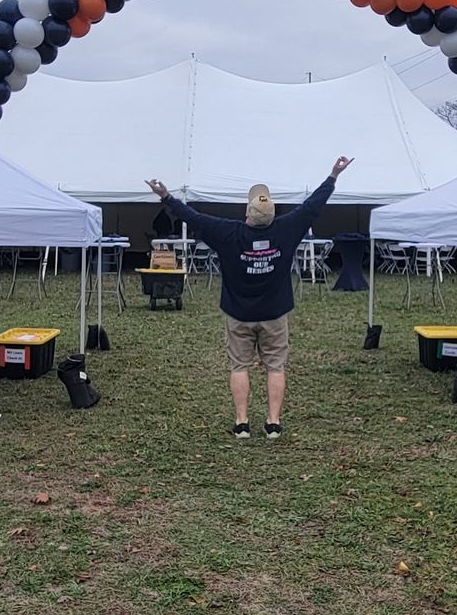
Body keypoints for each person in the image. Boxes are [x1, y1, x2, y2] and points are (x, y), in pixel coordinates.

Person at [146, 157, 353, 439]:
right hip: (275, 314)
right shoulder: (287, 228)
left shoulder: (228, 233)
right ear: (271, 214)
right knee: (275, 367)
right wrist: (333, 175)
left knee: (239, 366)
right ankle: (273, 423)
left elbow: (192, 217)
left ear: (247, 212)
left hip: (238, 314)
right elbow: (312, 207)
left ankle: (242, 423)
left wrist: (166, 196)